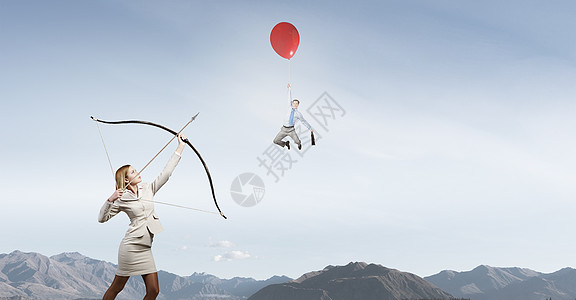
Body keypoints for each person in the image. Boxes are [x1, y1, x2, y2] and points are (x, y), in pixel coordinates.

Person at [98, 133, 187, 300]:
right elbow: (101, 219)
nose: (138, 172)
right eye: (133, 172)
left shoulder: (148, 188)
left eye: (136, 170)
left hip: (146, 247)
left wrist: (180, 147)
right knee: (117, 287)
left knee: (153, 291)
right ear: (126, 179)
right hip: (130, 247)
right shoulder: (120, 197)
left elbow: (166, 174)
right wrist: (110, 199)